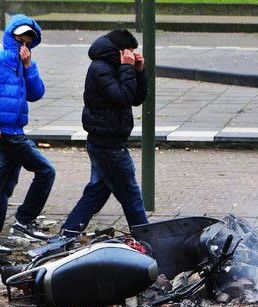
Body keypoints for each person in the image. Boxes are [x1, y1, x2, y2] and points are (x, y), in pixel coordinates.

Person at [61, 29, 148, 236]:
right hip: (108, 145)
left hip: (107, 141)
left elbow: (136, 98)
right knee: (132, 196)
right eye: (129, 52)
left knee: (96, 192)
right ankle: (148, 240)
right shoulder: (100, 68)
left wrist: (138, 71)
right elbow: (122, 97)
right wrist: (127, 67)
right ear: (119, 51)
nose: (131, 55)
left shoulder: (115, 65)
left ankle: (67, 234)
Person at [0, 15, 55, 253]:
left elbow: (36, 93)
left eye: (28, 39)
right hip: (7, 134)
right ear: (10, 36)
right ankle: (24, 220)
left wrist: (28, 67)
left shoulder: (27, 63)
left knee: (4, 187)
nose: (23, 42)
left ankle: (20, 223)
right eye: (19, 37)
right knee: (45, 170)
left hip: (14, 130)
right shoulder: (1, 60)